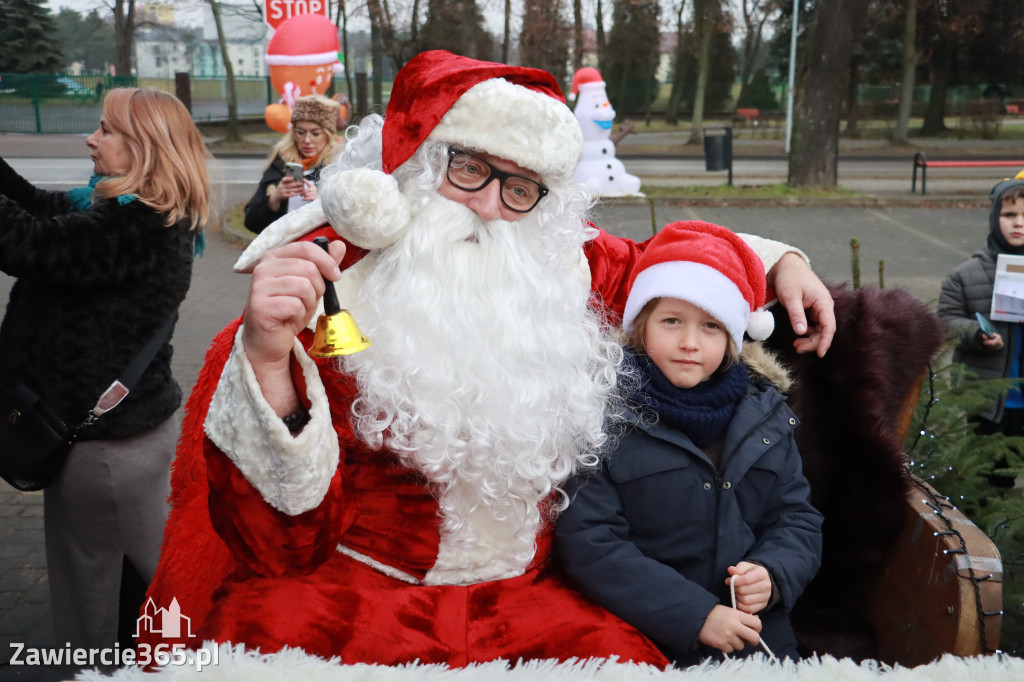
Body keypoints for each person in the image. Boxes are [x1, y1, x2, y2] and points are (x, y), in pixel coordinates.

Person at [142, 51, 835, 667]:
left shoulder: (563, 267)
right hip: (359, 585)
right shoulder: (332, 290)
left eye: (520, 188)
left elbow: (676, 263)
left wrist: (782, 265)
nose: (489, 207)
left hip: (532, 595)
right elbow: (279, 542)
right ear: (415, 170)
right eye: (469, 169)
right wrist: (268, 358)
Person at [555, 220, 824, 666]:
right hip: (647, 642)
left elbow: (796, 517)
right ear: (641, 327)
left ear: (733, 338)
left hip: (758, 641)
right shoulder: (604, 416)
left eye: (711, 326)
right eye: (672, 321)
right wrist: (694, 615)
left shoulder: (765, 415)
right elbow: (591, 541)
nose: (689, 343)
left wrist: (773, 574)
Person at [0, 88, 211, 653]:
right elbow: (37, 207)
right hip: (118, 438)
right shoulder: (125, 211)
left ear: (144, 147)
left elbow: (26, 242)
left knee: (92, 592)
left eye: (106, 130)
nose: (91, 139)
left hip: (106, 452)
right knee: (134, 584)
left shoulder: (136, 227)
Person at [938, 175, 1024, 487]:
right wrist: (977, 335)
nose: (1019, 223)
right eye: (1009, 214)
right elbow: (946, 321)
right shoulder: (966, 275)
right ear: (993, 218)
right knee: (988, 480)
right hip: (987, 399)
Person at [243, 94, 343, 234]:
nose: (307, 140)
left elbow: (352, 220)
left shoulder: (338, 166)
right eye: (300, 132)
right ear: (293, 134)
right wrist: (274, 200)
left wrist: (322, 200)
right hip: (285, 245)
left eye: (315, 134)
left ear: (328, 135)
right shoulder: (280, 164)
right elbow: (251, 222)